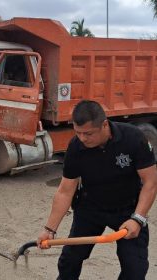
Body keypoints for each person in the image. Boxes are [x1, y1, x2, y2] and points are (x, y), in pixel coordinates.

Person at [37, 100, 157, 280]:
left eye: (88, 133)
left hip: (128, 209)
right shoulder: (76, 147)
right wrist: (50, 229)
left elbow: (150, 181)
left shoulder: (132, 138)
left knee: (135, 268)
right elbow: (65, 191)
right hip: (90, 208)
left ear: (104, 125)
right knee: (70, 259)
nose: (83, 138)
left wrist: (138, 219)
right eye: (78, 133)